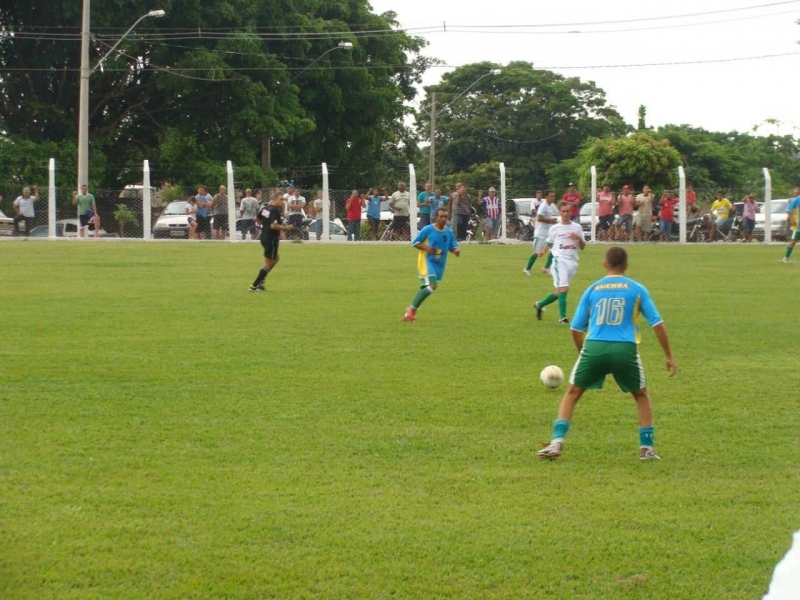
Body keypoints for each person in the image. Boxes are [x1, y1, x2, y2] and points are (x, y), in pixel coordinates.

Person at [537, 246, 678, 460]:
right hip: (625, 349)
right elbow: (657, 324)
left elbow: (576, 328)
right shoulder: (637, 289)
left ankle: (556, 443)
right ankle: (646, 449)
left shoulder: (592, 289)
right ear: (626, 266)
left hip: (594, 347)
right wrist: (668, 355)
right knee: (641, 395)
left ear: (605, 264)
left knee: (573, 393)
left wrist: (582, 353)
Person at [402, 208, 460, 322]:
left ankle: (409, 314)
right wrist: (427, 248)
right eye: (441, 216)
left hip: (440, 264)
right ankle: (411, 310)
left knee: (427, 287)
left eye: (445, 217)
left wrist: (455, 251)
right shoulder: (428, 230)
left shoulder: (449, 232)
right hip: (426, 262)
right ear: (436, 217)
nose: (443, 219)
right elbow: (415, 243)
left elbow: (452, 245)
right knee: (432, 286)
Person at [533, 202, 586, 324]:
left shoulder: (577, 227)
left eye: (568, 211)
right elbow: (549, 243)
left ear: (571, 212)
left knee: (559, 292)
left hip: (572, 261)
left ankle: (539, 305)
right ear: (560, 213)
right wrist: (542, 251)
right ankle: (563, 318)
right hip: (559, 259)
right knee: (564, 288)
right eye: (563, 211)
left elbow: (582, 247)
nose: (566, 214)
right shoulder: (555, 228)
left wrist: (578, 238)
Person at [249, 191, 294, 292]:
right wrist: (287, 227)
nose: (282, 202)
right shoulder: (274, 211)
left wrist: (265, 225)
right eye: (281, 199)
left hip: (264, 237)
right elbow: (273, 226)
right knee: (269, 264)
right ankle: (254, 286)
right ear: (274, 199)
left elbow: (256, 218)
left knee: (276, 258)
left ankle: (261, 282)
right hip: (271, 239)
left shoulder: (265, 208)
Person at [524, 190, 557, 275]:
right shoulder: (543, 206)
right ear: (546, 197)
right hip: (540, 233)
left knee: (554, 250)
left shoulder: (549, 206)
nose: (553, 198)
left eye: (553, 196)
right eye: (551, 196)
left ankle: (546, 268)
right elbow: (539, 218)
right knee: (537, 253)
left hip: (548, 233)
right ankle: (527, 269)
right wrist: (551, 220)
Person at [782, 188, 800, 263]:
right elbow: (788, 210)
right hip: (798, 225)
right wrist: (792, 219)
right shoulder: (797, 200)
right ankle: (786, 257)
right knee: (794, 241)